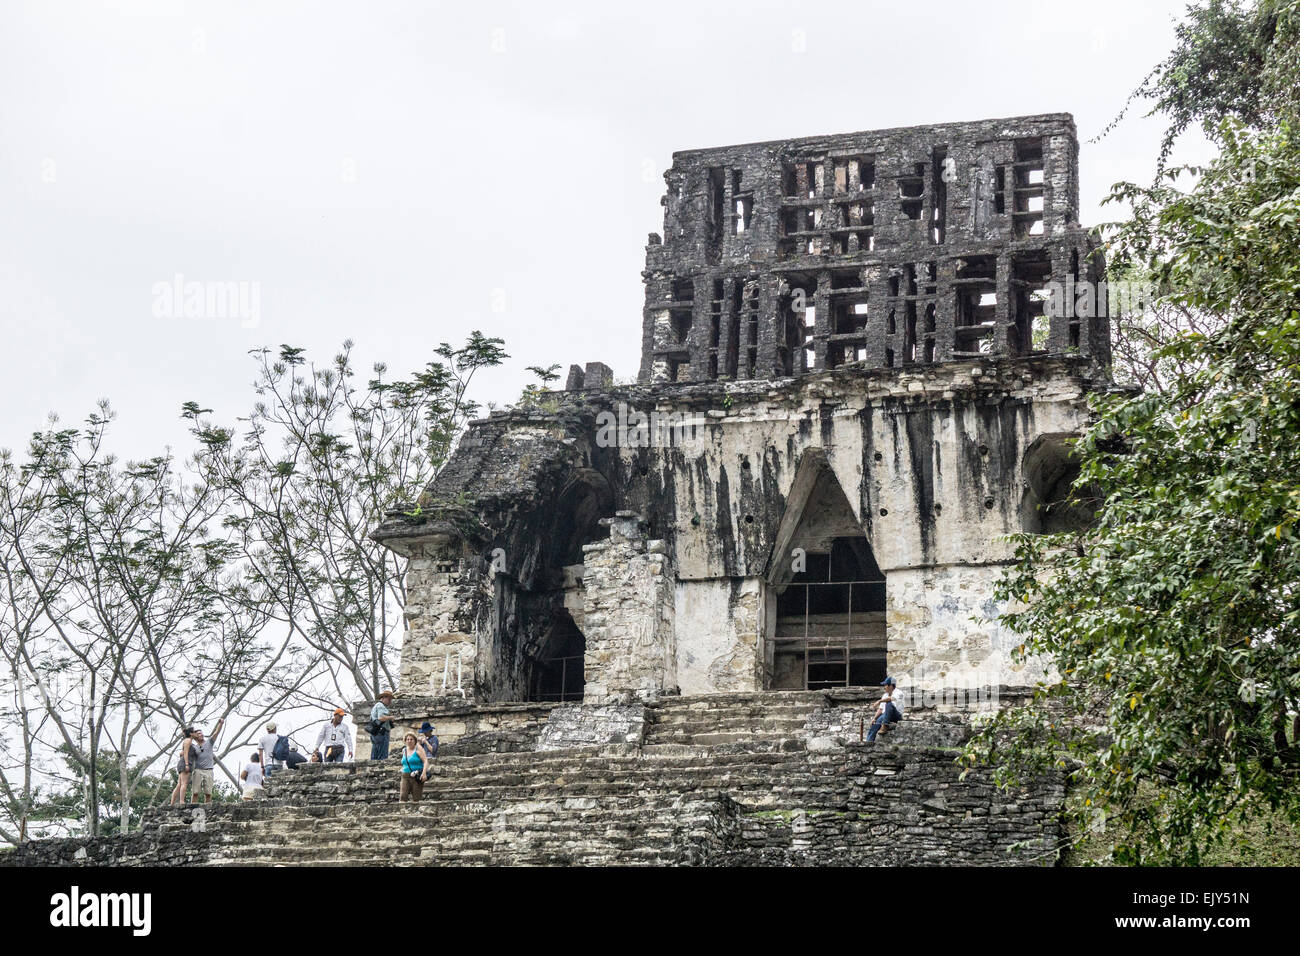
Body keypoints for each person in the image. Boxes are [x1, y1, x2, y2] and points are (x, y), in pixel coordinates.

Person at [189, 716, 225, 804]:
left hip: (209, 770)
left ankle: (208, 809)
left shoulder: (209, 742)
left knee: (208, 793)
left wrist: (220, 723)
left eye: (201, 733)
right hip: (198, 770)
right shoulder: (193, 746)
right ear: (195, 736)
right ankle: (192, 809)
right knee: (195, 792)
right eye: (198, 734)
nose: (200, 735)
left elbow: (216, 733)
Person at [866, 676, 904, 742]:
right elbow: (880, 709)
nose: (884, 687)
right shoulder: (885, 695)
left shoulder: (899, 693)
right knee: (874, 724)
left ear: (891, 686)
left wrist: (879, 701)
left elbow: (891, 699)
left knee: (889, 704)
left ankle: (885, 726)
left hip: (896, 715)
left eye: (886, 685)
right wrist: (874, 718)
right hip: (885, 715)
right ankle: (869, 742)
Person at [169, 728, 198, 805]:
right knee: (184, 783)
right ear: (191, 734)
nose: (196, 733)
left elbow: (181, 753)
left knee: (179, 784)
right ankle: (182, 801)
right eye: (194, 732)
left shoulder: (188, 741)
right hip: (186, 763)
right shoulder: (188, 740)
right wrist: (186, 764)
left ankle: (172, 803)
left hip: (184, 762)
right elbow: (185, 753)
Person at [398, 732, 428, 802]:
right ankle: (403, 812)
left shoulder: (418, 750)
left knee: (416, 797)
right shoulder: (404, 750)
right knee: (403, 796)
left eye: (411, 739)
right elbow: (404, 762)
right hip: (405, 775)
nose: (409, 741)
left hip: (416, 775)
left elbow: (425, 761)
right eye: (407, 739)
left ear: (415, 741)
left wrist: (424, 773)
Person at [368, 690, 396, 760]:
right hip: (381, 732)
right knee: (382, 755)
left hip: (376, 732)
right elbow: (381, 718)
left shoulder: (376, 706)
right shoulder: (381, 706)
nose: (390, 701)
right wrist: (391, 717)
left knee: (375, 753)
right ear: (384, 698)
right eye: (389, 699)